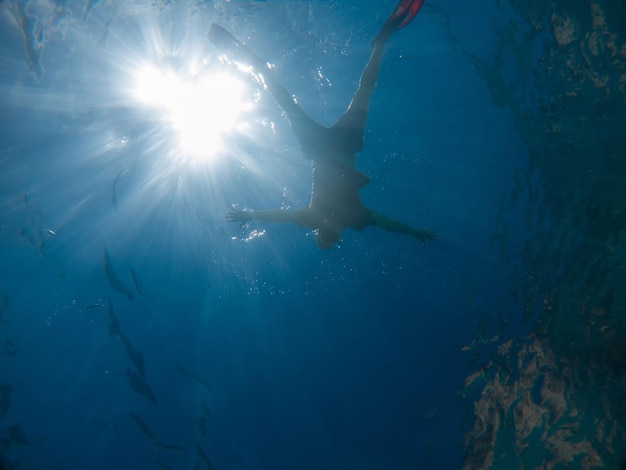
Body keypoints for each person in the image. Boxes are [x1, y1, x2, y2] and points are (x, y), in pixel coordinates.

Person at [208, 0, 436, 250]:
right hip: (346, 146)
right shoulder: (355, 219)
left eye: (322, 236)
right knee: (365, 94)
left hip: (317, 148)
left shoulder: (311, 218)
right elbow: (387, 223)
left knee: (287, 105)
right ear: (338, 237)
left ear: (318, 232)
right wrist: (414, 232)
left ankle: (258, 67)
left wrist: (251, 215)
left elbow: (281, 216)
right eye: (331, 238)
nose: (327, 232)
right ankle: (379, 45)